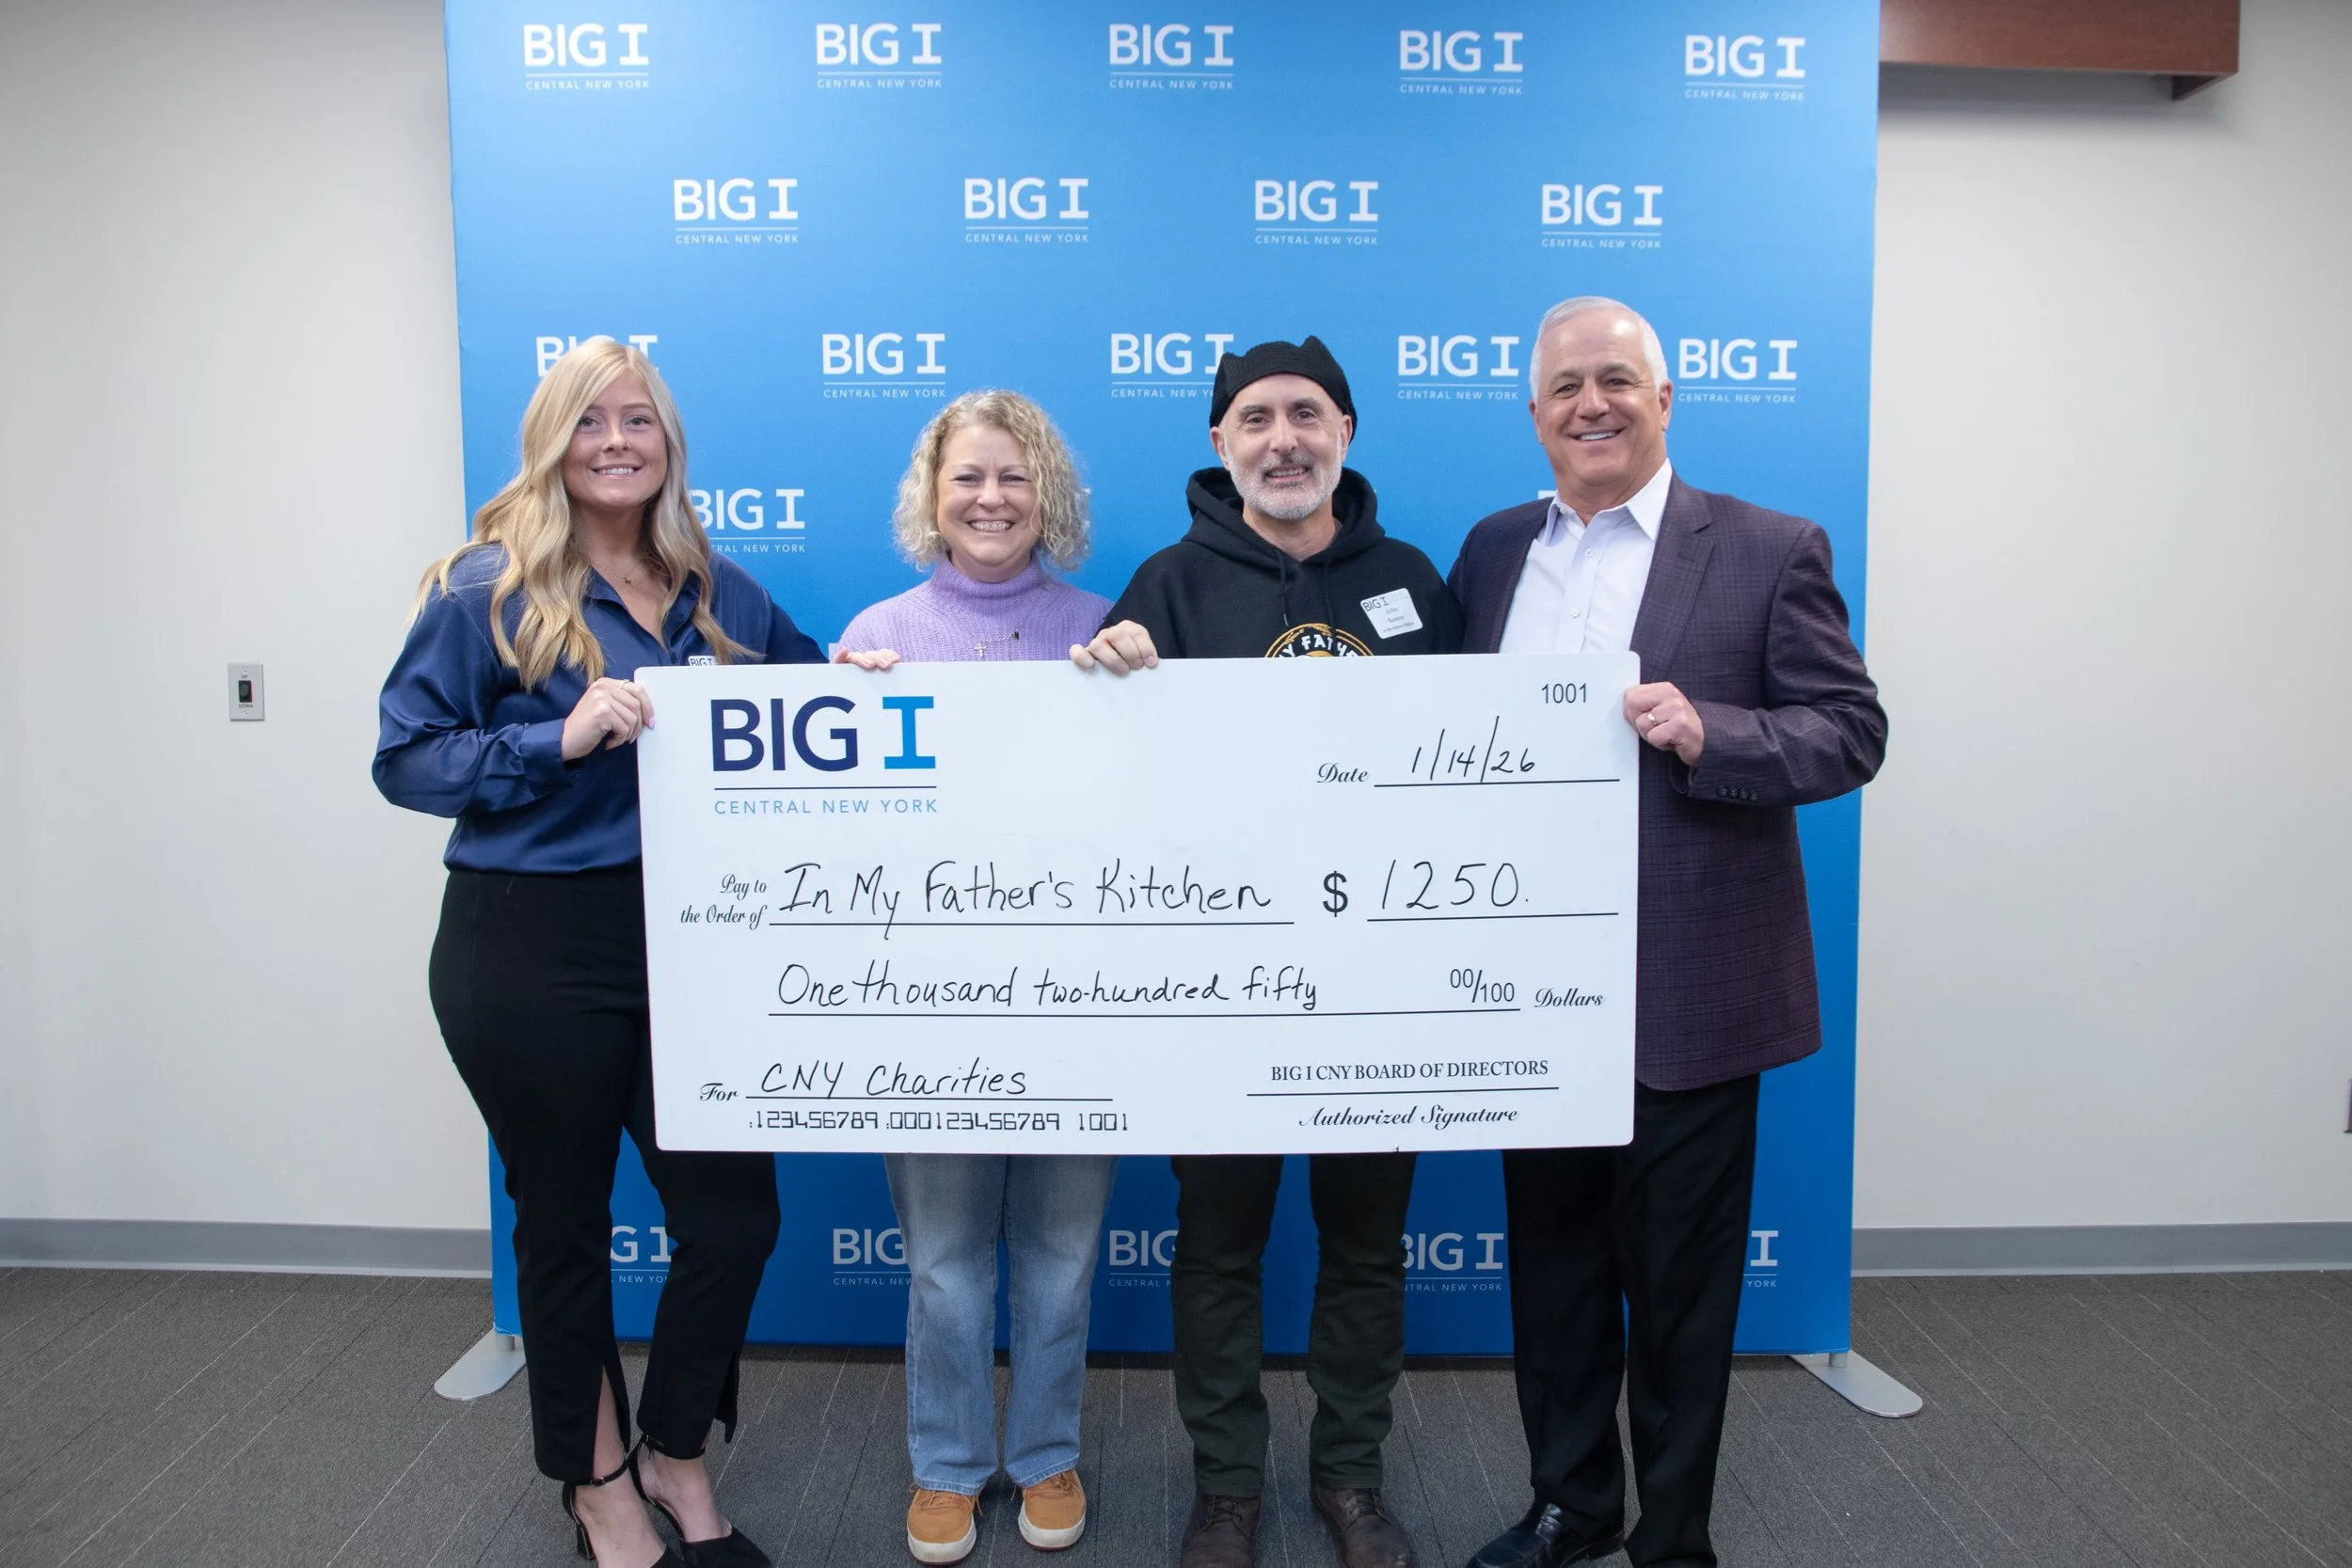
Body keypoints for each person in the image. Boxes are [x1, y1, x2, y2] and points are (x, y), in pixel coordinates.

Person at [1446, 297, 1886, 1568]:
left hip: (1693, 988)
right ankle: (1569, 1502)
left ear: (1665, 398)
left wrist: (1714, 733)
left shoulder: (1766, 546)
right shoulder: (1487, 554)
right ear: (1534, 415)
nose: (1593, 403)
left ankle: (1672, 1536)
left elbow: (1852, 731)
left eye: (1619, 381)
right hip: (1527, 987)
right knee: (1558, 1271)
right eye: (1568, 386)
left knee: (1685, 1297)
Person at [374, 338, 820, 1568]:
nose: (618, 440)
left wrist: (867, 682)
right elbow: (403, 756)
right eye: (590, 422)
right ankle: (595, 1482)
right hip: (530, 941)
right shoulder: (484, 586)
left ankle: (676, 1450)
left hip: (689, 938)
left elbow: (806, 704)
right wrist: (550, 741)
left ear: (669, 441)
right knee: (563, 1224)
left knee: (731, 1215)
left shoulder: (716, 586)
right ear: (553, 443)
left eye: (641, 419)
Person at [1074, 337, 1463, 1568]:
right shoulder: (1168, 583)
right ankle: (1227, 1483)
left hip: (1376, 987)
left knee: (1364, 1241)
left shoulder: (1413, 581)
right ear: (1219, 441)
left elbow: (1474, 775)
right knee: (1221, 1241)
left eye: (1306, 412)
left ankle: (1351, 1473)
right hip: (1224, 990)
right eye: (1255, 416)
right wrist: (1110, 677)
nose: (1282, 436)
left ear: (1346, 429)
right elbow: (1104, 787)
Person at [832, 390, 1120, 1564]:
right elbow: (826, 843)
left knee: (1059, 1250)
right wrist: (840, 712)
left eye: (1013, 476)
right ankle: (946, 1465)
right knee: (946, 1260)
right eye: (968, 478)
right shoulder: (876, 632)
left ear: (1044, 491)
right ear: (932, 495)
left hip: (1081, 1000)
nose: (991, 498)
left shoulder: (1107, 627)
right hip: (931, 1008)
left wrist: (1143, 686)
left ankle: (1045, 1454)